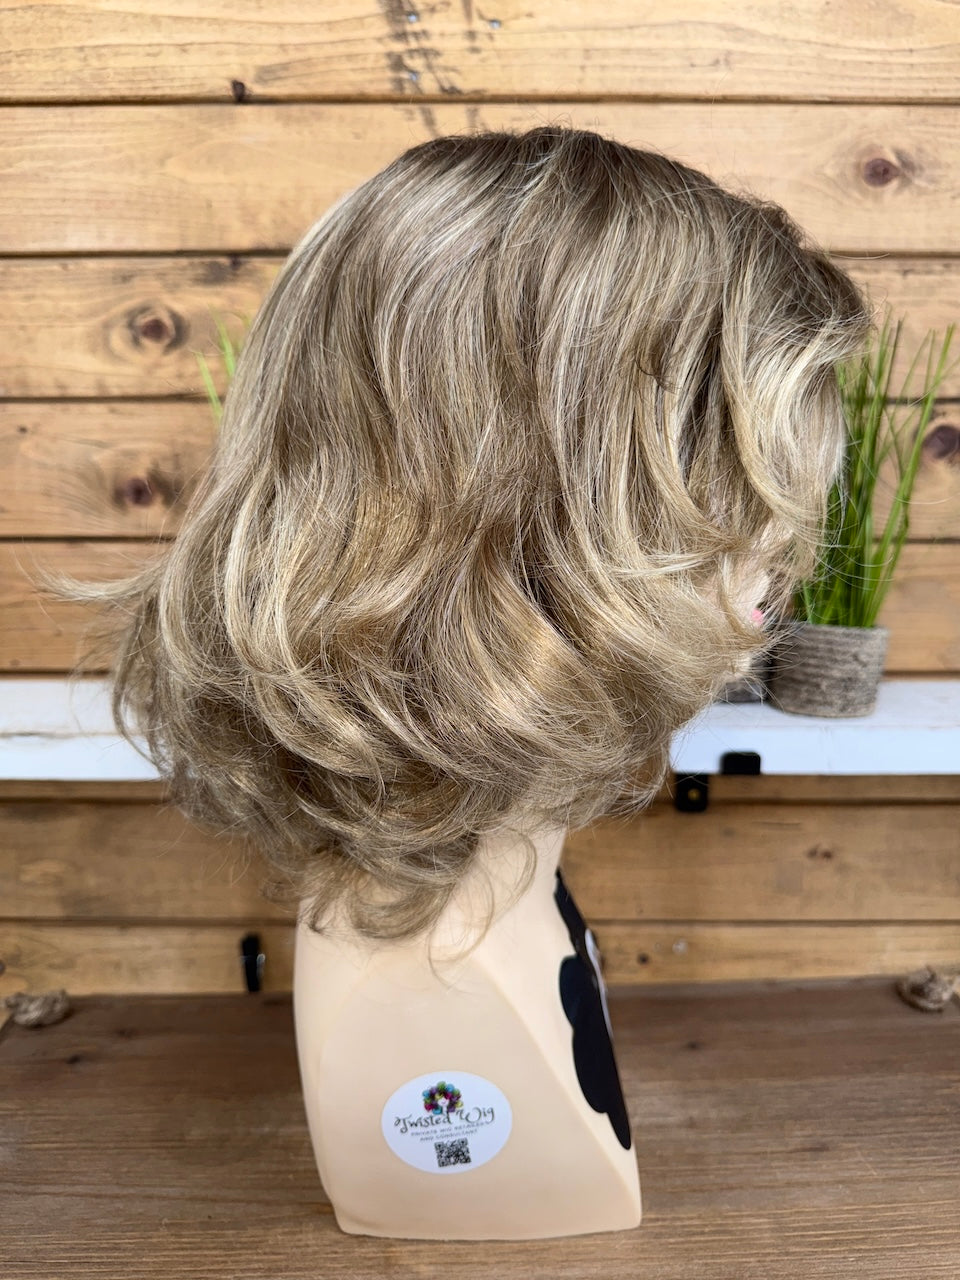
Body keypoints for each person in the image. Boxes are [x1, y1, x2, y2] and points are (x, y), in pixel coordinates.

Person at [36, 125, 876, 1238]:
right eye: (728, 489)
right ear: (543, 526)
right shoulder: (431, 976)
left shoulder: (512, 887)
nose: (776, 558)